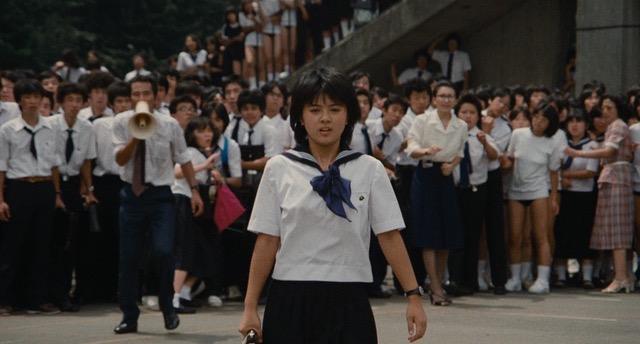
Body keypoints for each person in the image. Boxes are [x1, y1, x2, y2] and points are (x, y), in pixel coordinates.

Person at [238, 67, 426, 343]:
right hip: (290, 297)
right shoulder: (279, 167)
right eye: (314, 110)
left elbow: (389, 235)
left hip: (349, 298)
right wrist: (250, 307)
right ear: (300, 117)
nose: (325, 119)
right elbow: (267, 240)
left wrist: (413, 296)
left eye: (335, 109)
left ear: (349, 114)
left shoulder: (370, 169)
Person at [111, 75, 203, 334]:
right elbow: (119, 159)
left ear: (157, 96)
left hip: (161, 195)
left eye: (146, 94)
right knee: (128, 258)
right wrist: (136, 136)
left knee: (164, 252)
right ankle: (129, 315)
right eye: (136, 94)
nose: (141, 99)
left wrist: (194, 190)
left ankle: (167, 305)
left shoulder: (169, 124)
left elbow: (183, 157)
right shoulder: (120, 122)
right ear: (130, 97)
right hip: (131, 196)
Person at [0, 79, 64, 316]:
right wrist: (1, 199)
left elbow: (55, 164)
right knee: (13, 245)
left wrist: (57, 194)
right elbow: (2, 167)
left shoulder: (50, 127)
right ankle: (5, 298)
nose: (32, 102)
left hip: (44, 187)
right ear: (19, 101)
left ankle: (37, 298)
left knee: (41, 245)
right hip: (19, 187)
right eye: (27, 97)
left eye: (36, 97)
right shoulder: (8, 129)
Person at [406, 80, 467, 306]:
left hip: (445, 176)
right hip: (425, 175)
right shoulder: (422, 120)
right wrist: (426, 151)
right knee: (429, 235)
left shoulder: (461, 125)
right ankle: (434, 286)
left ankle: (438, 282)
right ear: (434, 99)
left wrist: (453, 165)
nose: (445, 100)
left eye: (450, 96)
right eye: (441, 96)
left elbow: (460, 152)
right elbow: (411, 149)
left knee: (446, 235)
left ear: (456, 99)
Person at [564, 94, 634, 293]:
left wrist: (579, 153)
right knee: (614, 227)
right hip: (613, 176)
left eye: (610, 107)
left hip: (617, 176)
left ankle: (621, 277)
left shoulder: (618, 125)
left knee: (618, 228)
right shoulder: (612, 127)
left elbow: (609, 151)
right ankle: (624, 276)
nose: (605, 111)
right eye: (603, 108)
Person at [49, 82, 98, 312]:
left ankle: (66, 293)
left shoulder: (86, 127)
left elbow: (86, 161)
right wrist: (57, 193)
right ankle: (50, 293)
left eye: (79, 100)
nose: (74, 105)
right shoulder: (50, 125)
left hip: (73, 187)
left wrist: (89, 190)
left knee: (71, 243)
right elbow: (52, 164)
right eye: (70, 100)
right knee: (53, 242)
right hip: (52, 186)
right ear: (61, 102)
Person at [504, 101, 562, 294]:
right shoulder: (518, 134)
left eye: (544, 119)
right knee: (515, 236)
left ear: (550, 123)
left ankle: (543, 280)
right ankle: (515, 278)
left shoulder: (552, 142)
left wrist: (554, 198)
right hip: (515, 191)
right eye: (536, 116)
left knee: (541, 236)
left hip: (539, 191)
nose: (538, 121)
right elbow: (509, 160)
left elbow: (554, 172)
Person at [171, 116, 223, 314]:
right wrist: (205, 166)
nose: (207, 135)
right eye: (201, 131)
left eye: (209, 130)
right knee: (184, 250)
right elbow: (177, 172)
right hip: (181, 200)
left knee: (202, 253)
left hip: (196, 204)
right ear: (192, 134)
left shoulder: (203, 154)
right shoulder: (190, 152)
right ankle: (173, 297)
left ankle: (184, 292)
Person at [448, 94, 498, 294]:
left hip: (476, 192)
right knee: (455, 236)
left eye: (472, 113)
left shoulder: (483, 135)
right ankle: (453, 280)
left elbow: (495, 157)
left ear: (479, 116)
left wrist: (485, 142)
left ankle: (470, 281)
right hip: (454, 190)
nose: (468, 116)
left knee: (473, 236)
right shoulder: (451, 134)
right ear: (457, 114)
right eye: (464, 112)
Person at [554, 111, 599, 289]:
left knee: (584, 234)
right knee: (562, 234)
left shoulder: (592, 145)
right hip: (565, 195)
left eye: (579, 121)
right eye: (571, 121)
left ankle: (587, 276)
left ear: (586, 125)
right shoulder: (562, 144)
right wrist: (561, 177)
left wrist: (566, 175)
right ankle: (561, 276)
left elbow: (591, 171)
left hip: (585, 196)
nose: (574, 125)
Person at [240, 0, 265, 89]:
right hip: (249, 40)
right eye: (245, 3)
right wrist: (254, 26)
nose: (247, 5)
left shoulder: (257, 11)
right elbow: (244, 29)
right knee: (250, 62)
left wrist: (254, 20)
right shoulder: (241, 15)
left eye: (249, 2)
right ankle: (253, 84)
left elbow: (261, 27)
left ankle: (262, 84)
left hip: (260, 41)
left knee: (260, 63)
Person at [220, 7, 246, 77]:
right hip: (233, 52)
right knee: (236, 73)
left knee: (245, 72)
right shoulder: (226, 27)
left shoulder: (242, 24)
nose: (230, 17)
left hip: (244, 50)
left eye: (232, 14)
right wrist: (234, 39)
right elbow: (224, 41)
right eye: (228, 15)